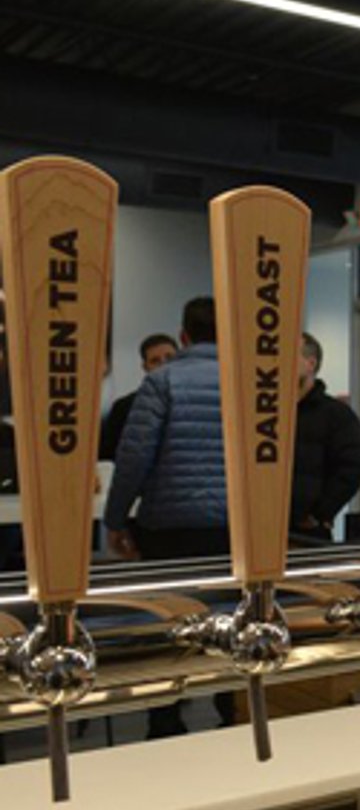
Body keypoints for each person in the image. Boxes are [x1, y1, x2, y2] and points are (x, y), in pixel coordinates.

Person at [102, 297, 229, 736]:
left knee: (169, 626)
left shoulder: (162, 383)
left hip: (168, 527)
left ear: (183, 337)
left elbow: (133, 458)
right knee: (229, 623)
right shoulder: (251, 381)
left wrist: (115, 520)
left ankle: (166, 722)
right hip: (234, 530)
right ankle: (232, 716)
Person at [290, 332, 360, 545]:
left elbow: (350, 471)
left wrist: (319, 514)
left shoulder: (337, 415)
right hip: (265, 527)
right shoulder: (268, 413)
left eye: (288, 356)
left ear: (310, 363)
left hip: (308, 533)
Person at [99, 332, 178, 461]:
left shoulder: (197, 401)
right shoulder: (124, 408)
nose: (164, 365)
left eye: (169, 357)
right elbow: (109, 456)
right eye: (155, 361)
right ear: (145, 367)